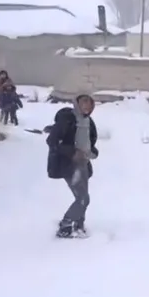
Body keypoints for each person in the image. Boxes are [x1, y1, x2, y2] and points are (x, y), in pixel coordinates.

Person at [46, 94, 100, 238]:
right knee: (83, 198)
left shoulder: (88, 121)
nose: (87, 105)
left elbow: (89, 141)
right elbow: (52, 141)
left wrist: (92, 152)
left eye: (90, 102)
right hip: (69, 165)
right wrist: (73, 153)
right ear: (76, 102)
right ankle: (65, 226)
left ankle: (79, 225)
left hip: (83, 164)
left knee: (82, 197)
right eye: (84, 101)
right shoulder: (67, 119)